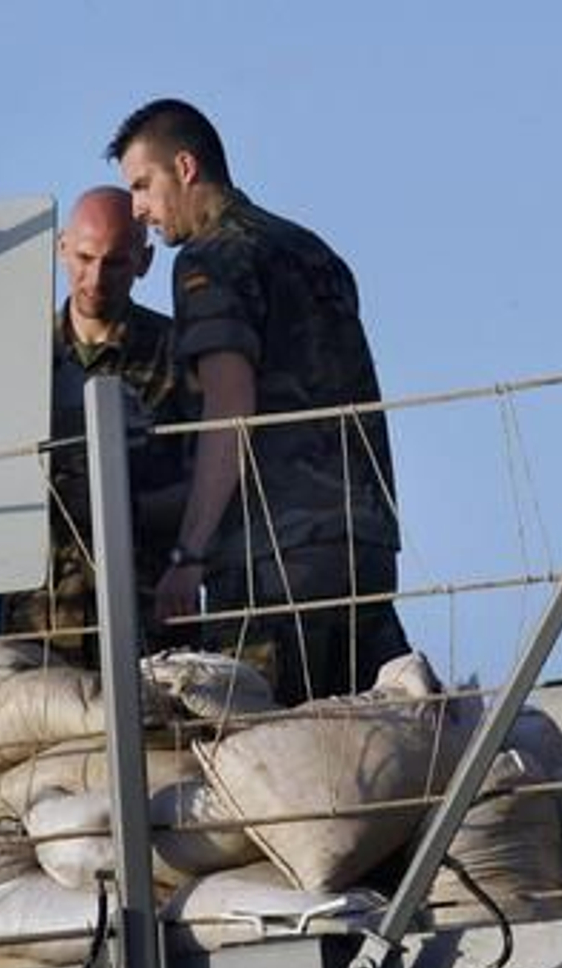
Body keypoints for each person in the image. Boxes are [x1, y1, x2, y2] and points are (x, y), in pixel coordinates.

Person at [107, 99, 411, 705]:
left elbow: (229, 407)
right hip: (361, 544)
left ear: (186, 167)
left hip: (271, 560)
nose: (138, 209)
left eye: (143, 185)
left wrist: (189, 554)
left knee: (266, 752)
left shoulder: (211, 260)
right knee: (374, 747)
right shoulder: (309, 249)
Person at [0, 186, 199, 666]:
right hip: (37, 619)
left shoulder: (179, 354)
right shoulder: (20, 358)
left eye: (115, 263)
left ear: (144, 262)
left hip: (148, 618)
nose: (95, 278)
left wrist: (118, 503)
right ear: (61, 246)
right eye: (84, 258)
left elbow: (212, 482)